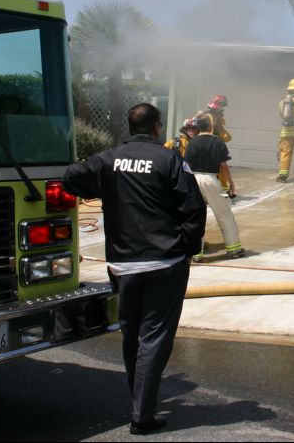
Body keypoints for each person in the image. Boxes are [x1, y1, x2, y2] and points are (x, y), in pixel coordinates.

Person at [61, 103, 205, 436]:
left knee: (133, 335)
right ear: (156, 127)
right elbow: (193, 208)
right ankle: (142, 414)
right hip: (164, 262)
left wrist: (103, 184)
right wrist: (186, 250)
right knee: (154, 337)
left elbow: (70, 178)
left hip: (122, 264)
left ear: (130, 127)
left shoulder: (108, 159)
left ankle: (140, 401)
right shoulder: (170, 160)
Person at [185, 113, 244, 261]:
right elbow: (223, 165)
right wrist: (230, 182)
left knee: (195, 217)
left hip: (193, 180)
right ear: (211, 126)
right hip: (211, 180)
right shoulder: (218, 142)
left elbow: (185, 165)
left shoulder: (191, 143)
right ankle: (234, 249)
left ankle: (196, 253)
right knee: (224, 213)